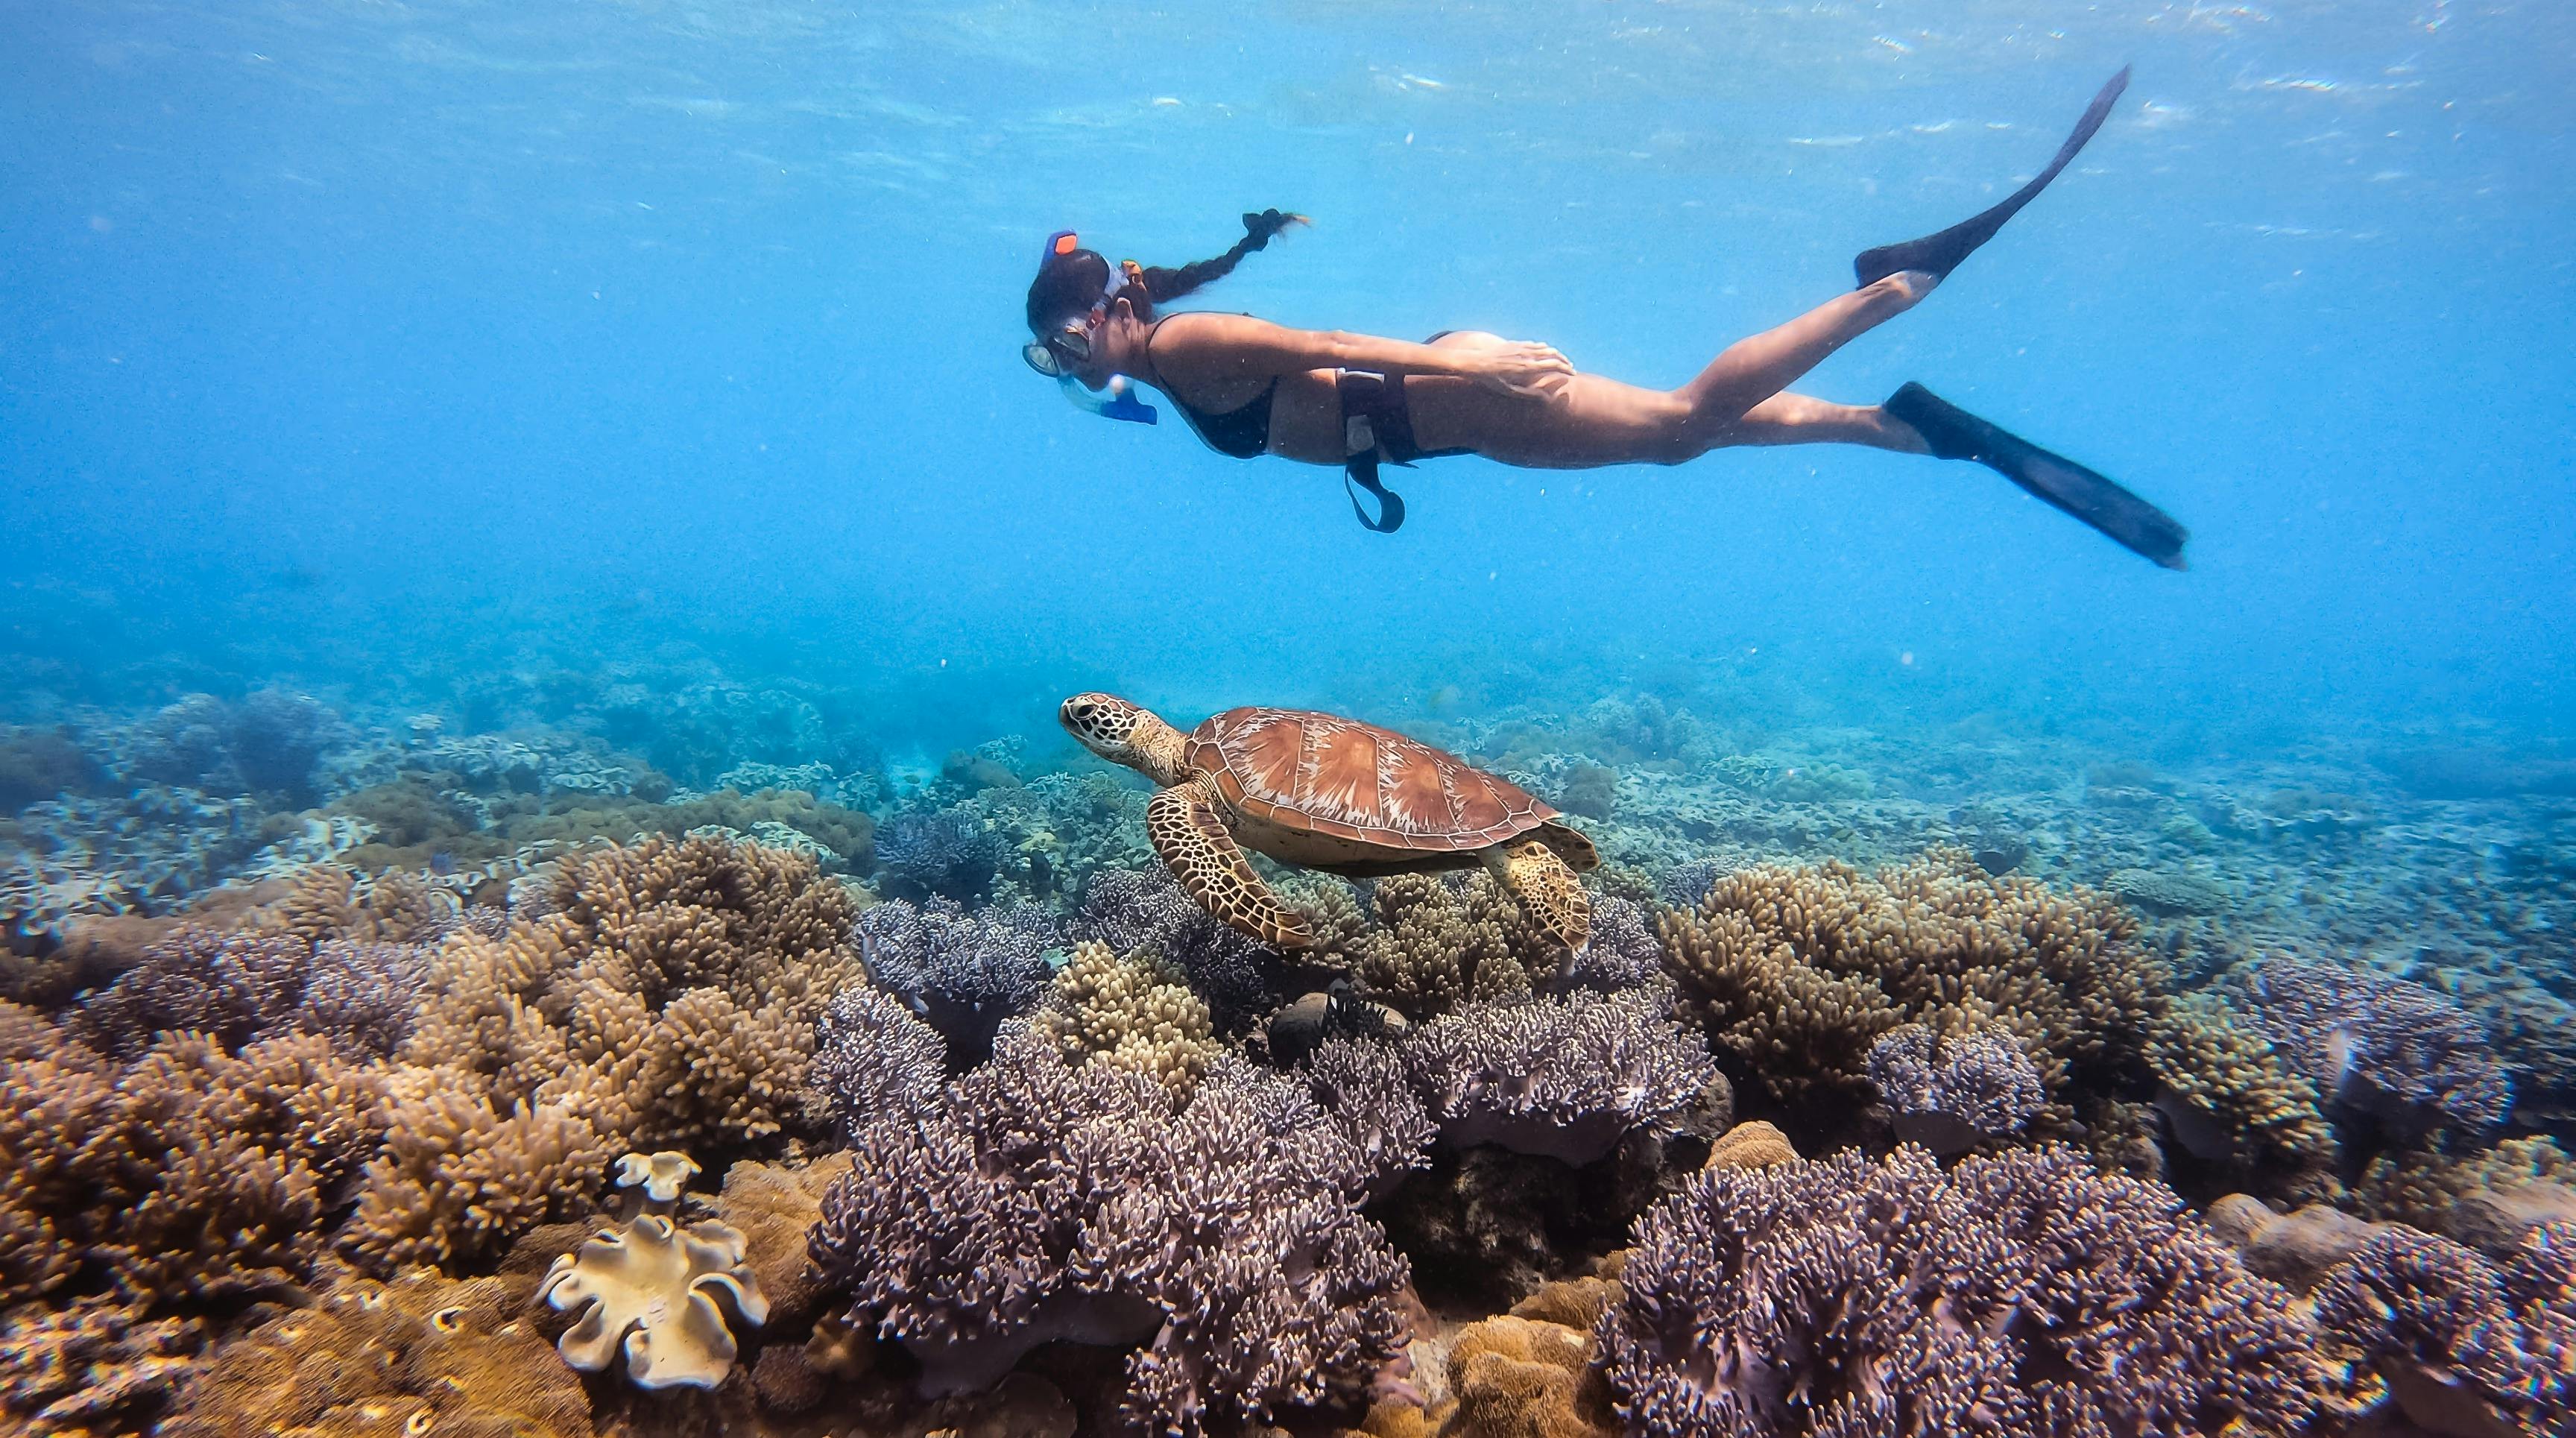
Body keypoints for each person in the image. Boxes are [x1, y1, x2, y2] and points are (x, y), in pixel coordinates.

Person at [1021, 69, 2185, 569]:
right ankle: (1907, 426)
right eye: (1055, 358)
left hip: (1441, 397)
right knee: (1691, 435)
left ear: (1111, 315)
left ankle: (1893, 286)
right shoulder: (1155, 360)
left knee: (1682, 423)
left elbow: (1329, 344)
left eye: (1073, 345)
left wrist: (1494, 375)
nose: (1073, 366)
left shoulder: (1183, 344)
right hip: (1436, 408)